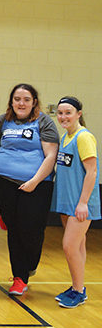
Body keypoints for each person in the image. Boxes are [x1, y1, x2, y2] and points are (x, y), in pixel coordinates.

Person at [0, 84, 59, 296]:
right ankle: (19, 278)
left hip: (37, 184)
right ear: (11, 101)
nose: (21, 103)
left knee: (31, 229)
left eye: (26, 99)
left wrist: (34, 181)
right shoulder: (2, 122)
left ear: (34, 102)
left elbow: (51, 156)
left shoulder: (44, 122)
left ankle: (29, 264)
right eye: (17, 99)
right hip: (4, 181)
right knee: (16, 229)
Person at [50, 96, 100, 308]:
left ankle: (79, 291)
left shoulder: (83, 137)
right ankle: (77, 286)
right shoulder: (66, 137)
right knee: (78, 246)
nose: (63, 117)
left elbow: (92, 171)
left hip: (81, 204)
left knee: (69, 246)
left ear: (79, 114)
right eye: (60, 113)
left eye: (68, 112)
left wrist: (83, 203)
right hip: (67, 201)